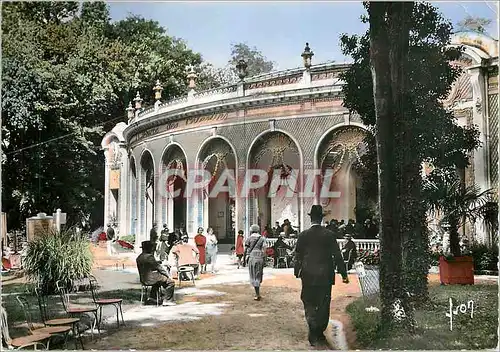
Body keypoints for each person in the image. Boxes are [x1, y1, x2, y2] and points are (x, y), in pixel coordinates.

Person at [294, 205, 349, 347]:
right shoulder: (329, 235)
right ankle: (318, 332)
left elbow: (298, 256)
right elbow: (337, 256)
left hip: (308, 275)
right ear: (322, 218)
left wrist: (296, 271)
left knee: (309, 301)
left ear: (310, 218)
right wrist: (344, 274)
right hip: (325, 275)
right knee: (324, 303)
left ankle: (313, 330)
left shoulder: (303, 235)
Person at [136, 241, 176, 306]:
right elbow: (159, 267)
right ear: (149, 248)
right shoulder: (149, 257)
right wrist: (167, 275)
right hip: (152, 279)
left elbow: (149, 264)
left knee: (157, 282)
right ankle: (168, 300)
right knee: (171, 282)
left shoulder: (139, 257)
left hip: (144, 279)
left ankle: (153, 298)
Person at [245, 224, 267, 301]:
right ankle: (258, 293)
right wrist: (264, 257)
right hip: (259, 257)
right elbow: (264, 249)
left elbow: (246, 249)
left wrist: (245, 259)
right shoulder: (262, 238)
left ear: (251, 230)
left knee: (253, 274)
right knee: (258, 274)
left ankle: (257, 293)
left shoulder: (249, 238)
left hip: (252, 257)